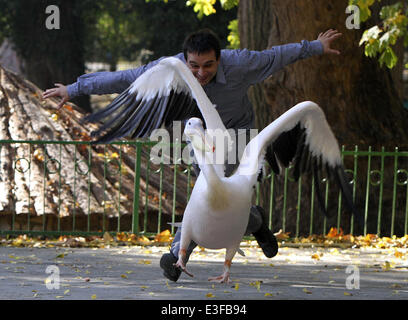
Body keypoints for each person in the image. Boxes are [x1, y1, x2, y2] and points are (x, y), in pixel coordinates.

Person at [43, 28, 342, 282]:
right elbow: (126, 78)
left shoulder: (241, 64)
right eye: (194, 65)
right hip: (199, 134)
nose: (200, 73)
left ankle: (188, 250)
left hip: (237, 135)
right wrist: (75, 88)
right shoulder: (171, 67)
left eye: (208, 66)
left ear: (220, 59)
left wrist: (316, 46)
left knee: (221, 195)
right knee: (207, 192)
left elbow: (276, 56)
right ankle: (240, 228)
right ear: (186, 59)